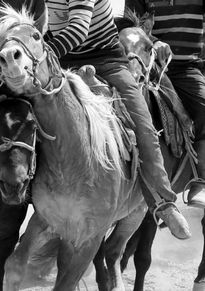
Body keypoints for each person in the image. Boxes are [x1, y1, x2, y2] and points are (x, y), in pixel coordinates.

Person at [43, 0, 192, 239]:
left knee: (143, 124)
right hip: (64, 63)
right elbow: (51, 29)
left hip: (107, 61)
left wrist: (39, 52)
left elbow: (78, 29)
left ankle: (163, 202)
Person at [122, 0, 205, 209]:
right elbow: (129, 25)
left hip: (187, 67)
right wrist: (153, 41)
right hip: (146, 64)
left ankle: (200, 180)